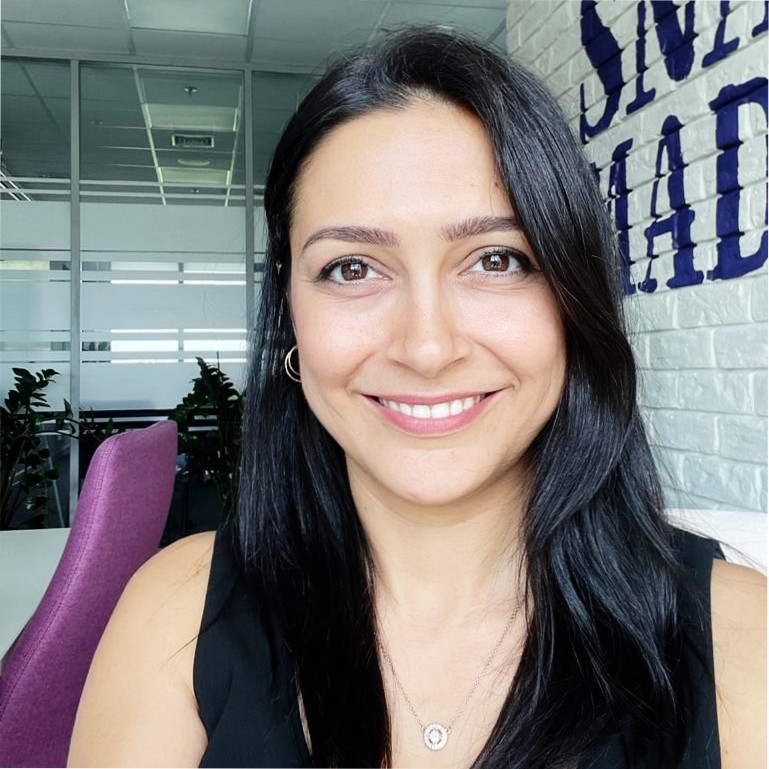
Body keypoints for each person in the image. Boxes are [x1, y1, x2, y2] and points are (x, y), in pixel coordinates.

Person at [67, 27, 766, 769]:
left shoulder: (736, 636)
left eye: (497, 260)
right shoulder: (176, 614)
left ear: (573, 296)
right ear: (291, 310)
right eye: (352, 268)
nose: (426, 348)